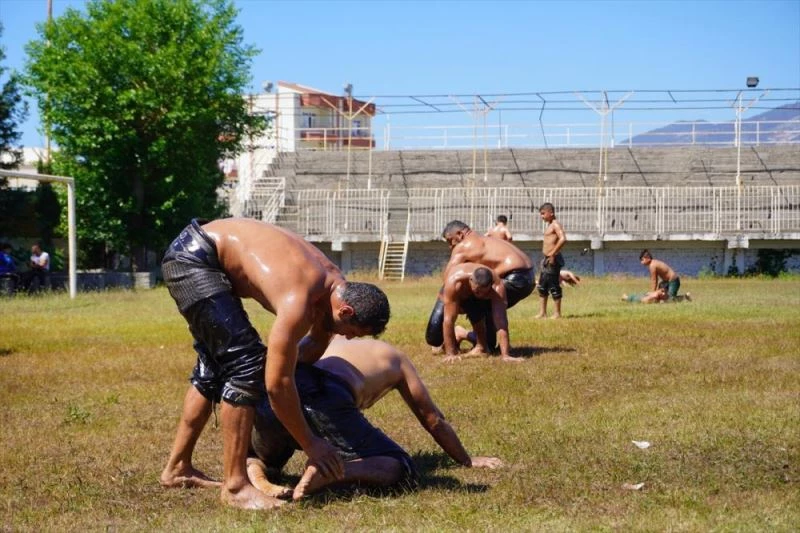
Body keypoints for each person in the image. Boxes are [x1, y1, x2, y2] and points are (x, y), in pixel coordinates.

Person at [159, 218, 390, 511]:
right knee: (244, 366)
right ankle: (235, 487)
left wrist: (280, 366)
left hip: (202, 249)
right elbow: (277, 386)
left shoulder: (335, 289)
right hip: (194, 258)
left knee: (215, 365)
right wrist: (311, 444)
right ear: (345, 311)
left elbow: (310, 349)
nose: (345, 337)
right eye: (350, 332)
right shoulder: (301, 300)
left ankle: (177, 469)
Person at [247, 336, 503, 500]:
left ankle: (258, 475)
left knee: (261, 455)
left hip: (279, 397)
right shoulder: (394, 356)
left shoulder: (318, 339)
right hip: (329, 397)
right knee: (402, 467)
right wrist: (466, 460)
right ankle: (333, 470)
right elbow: (432, 417)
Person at [432, 221, 534, 353]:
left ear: (460, 234)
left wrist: (451, 301)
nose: (450, 246)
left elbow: (448, 278)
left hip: (515, 277)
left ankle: (477, 343)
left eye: (450, 241)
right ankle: (487, 344)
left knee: (472, 299)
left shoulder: (463, 246)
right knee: (486, 303)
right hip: (528, 276)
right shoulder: (485, 240)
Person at [425, 263, 521, 363]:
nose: (481, 295)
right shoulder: (455, 282)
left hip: (472, 297)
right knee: (433, 338)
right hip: (454, 291)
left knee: (490, 344)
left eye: (485, 293)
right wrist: (451, 353)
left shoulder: (497, 287)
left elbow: (501, 322)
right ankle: (458, 333)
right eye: (477, 292)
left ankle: (477, 343)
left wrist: (505, 355)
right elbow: (449, 320)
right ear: (471, 280)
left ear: (491, 285)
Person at [535, 203, 567, 319]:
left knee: (553, 286)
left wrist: (553, 253)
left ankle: (557, 313)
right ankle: (542, 313)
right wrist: (545, 258)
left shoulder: (555, 225)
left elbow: (563, 239)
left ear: (551, 213)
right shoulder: (549, 225)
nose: (542, 216)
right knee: (542, 286)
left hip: (553, 259)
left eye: (543, 214)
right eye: (541, 214)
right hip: (547, 259)